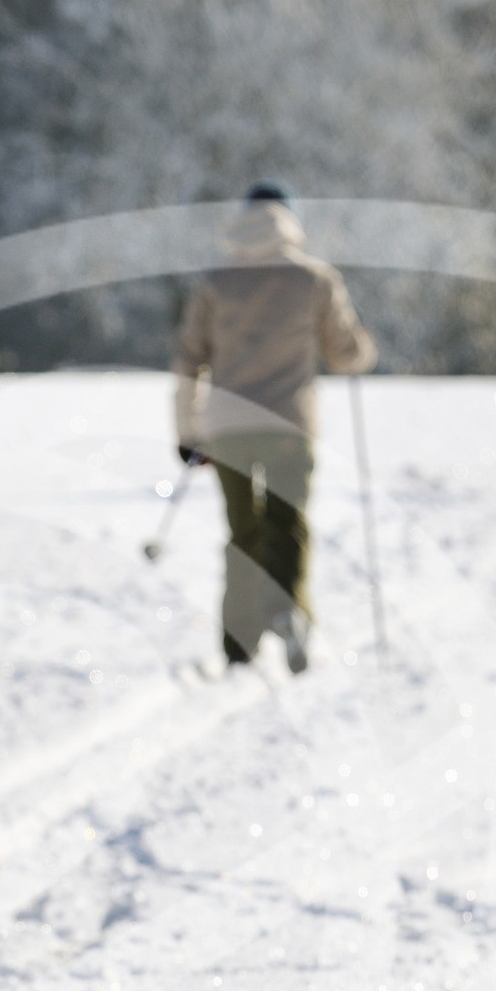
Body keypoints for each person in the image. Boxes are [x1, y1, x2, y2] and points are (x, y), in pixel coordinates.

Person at [172, 183, 375, 670]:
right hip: (290, 423)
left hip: (228, 428)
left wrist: (187, 433)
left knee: (243, 530)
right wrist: (361, 351)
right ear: (291, 221)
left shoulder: (216, 283)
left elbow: (187, 362)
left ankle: (239, 643)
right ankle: (289, 614)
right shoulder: (315, 279)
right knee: (288, 523)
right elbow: (345, 351)